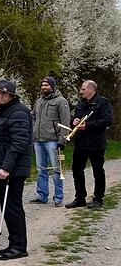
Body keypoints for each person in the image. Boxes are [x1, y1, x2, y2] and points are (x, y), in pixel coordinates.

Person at [0, 80, 32, 261]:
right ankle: (14, 244)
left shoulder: (19, 112)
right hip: (4, 167)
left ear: (7, 95)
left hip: (13, 169)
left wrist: (6, 167)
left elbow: (18, 143)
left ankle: (19, 246)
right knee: (7, 208)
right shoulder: (5, 111)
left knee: (13, 207)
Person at [65, 80, 114, 209]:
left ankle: (98, 199)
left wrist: (88, 126)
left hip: (96, 143)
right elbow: (76, 118)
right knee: (77, 170)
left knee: (97, 171)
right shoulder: (81, 104)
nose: (81, 91)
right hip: (81, 143)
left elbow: (108, 120)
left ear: (91, 89)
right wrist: (73, 121)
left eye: (83, 89)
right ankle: (80, 198)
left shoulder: (103, 103)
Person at [30, 77, 69, 207]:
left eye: (46, 85)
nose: (44, 87)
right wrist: (33, 133)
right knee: (41, 169)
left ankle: (58, 197)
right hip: (39, 140)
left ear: (52, 86)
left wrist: (62, 140)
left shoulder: (61, 101)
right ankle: (42, 196)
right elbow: (33, 117)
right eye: (42, 85)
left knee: (57, 169)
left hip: (53, 141)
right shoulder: (39, 101)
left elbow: (65, 122)